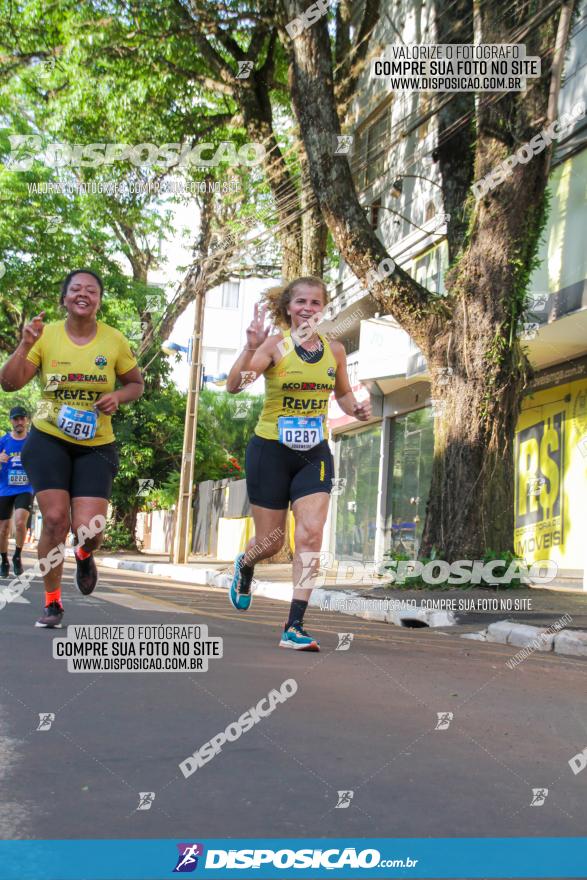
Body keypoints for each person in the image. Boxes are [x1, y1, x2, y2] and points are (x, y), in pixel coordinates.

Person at [225, 276, 371, 651]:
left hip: (313, 453)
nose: (308, 308)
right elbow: (236, 385)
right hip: (270, 451)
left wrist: (355, 407)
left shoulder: (334, 350)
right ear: (289, 308)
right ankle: (245, 563)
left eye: (315, 303)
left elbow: (342, 394)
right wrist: (249, 349)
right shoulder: (274, 347)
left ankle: (295, 625)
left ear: (323, 309)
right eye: (301, 302)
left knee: (310, 534)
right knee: (272, 542)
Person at [0, 269, 144, 627]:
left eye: (91, 290)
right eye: (76, 289)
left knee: (90, 529)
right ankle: (52, 602)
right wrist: (23, 344)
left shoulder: (113, 341)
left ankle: (83, 552)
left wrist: (117, 396)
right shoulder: (44, 337)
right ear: (64, 298)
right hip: (48, 439)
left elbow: (136, 384)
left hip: (96, 444)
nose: (83, 294)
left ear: (99, 299)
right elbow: (8, 382)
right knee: (53, 520)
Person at [0, 406, 34, 577]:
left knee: (20, 523)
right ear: (11, 421)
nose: (19, 422)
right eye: (16, 419)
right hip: (4, 489)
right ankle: (4, 560)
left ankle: (17, 556)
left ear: (27, 420)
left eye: (22, 418)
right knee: (3, 529)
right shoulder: (3, 441)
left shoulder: (33, 441)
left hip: (26, 488)